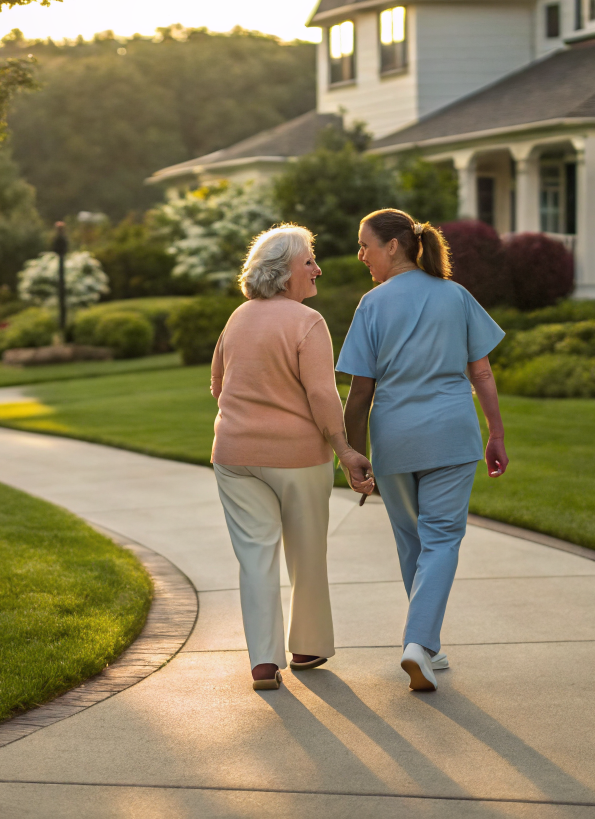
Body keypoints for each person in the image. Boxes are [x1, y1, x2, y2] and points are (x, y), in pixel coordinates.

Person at [337, 208, 508, 692]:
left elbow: (360, 393)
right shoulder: (456, 296)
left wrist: (352, 455)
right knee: (441, 540)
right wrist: (495, 434)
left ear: (393, 246)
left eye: (365, 244)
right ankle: (420, 643)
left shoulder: (371, 304)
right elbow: (483, 374)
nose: (360, 254)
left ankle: (425, 642)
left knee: (413, 541)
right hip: (452, 434)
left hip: (396, 437)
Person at [211, 225, 374, 691]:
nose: (317, 269)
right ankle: (306, 646)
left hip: (234, 456)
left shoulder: (237, 317)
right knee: (306, 552)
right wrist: (345, 450)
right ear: (284, 273)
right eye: (309, 262)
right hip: (299, 458)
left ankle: (264, 663)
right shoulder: (308, 321)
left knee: (255, 558)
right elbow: (323, 394)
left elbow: (218, 386)